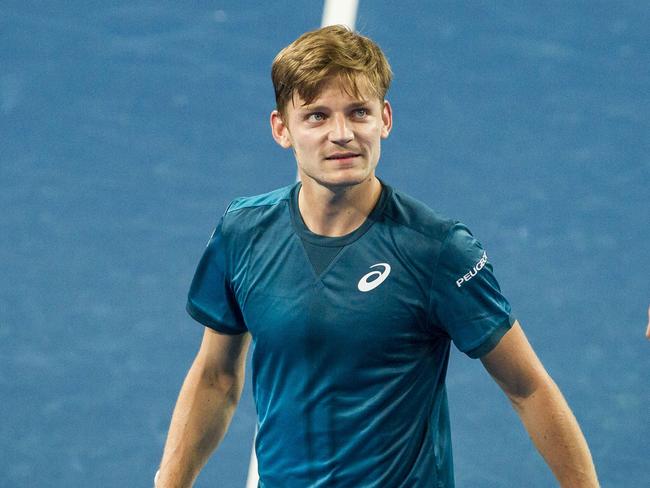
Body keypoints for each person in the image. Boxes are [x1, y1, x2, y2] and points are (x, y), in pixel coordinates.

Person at [156, 26, 599, 487]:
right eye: (317, 117)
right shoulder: (242, 231)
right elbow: (216, 378)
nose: (342, 134)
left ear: (384, 119)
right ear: (281, 130)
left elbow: (527, 388)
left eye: (359, 112)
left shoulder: (437, 250)